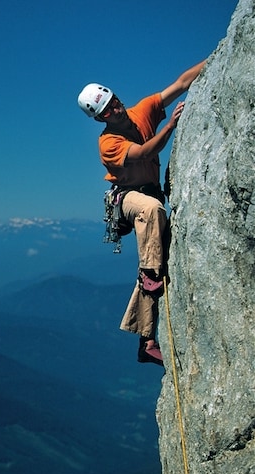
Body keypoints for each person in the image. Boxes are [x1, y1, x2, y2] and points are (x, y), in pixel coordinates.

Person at [77, 61, 205, 366]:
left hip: (150, 196)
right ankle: (150, 274)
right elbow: (145, 153)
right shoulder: (108, 143)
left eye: (115, 103)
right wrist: (170, 126)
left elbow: (181, 82)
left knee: (156, 258)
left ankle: (146, 341)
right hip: (126, 200)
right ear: (99, 119)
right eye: (107, 111)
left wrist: (214, 56)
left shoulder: (142, 111)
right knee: (151, 211)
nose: (116, 110)